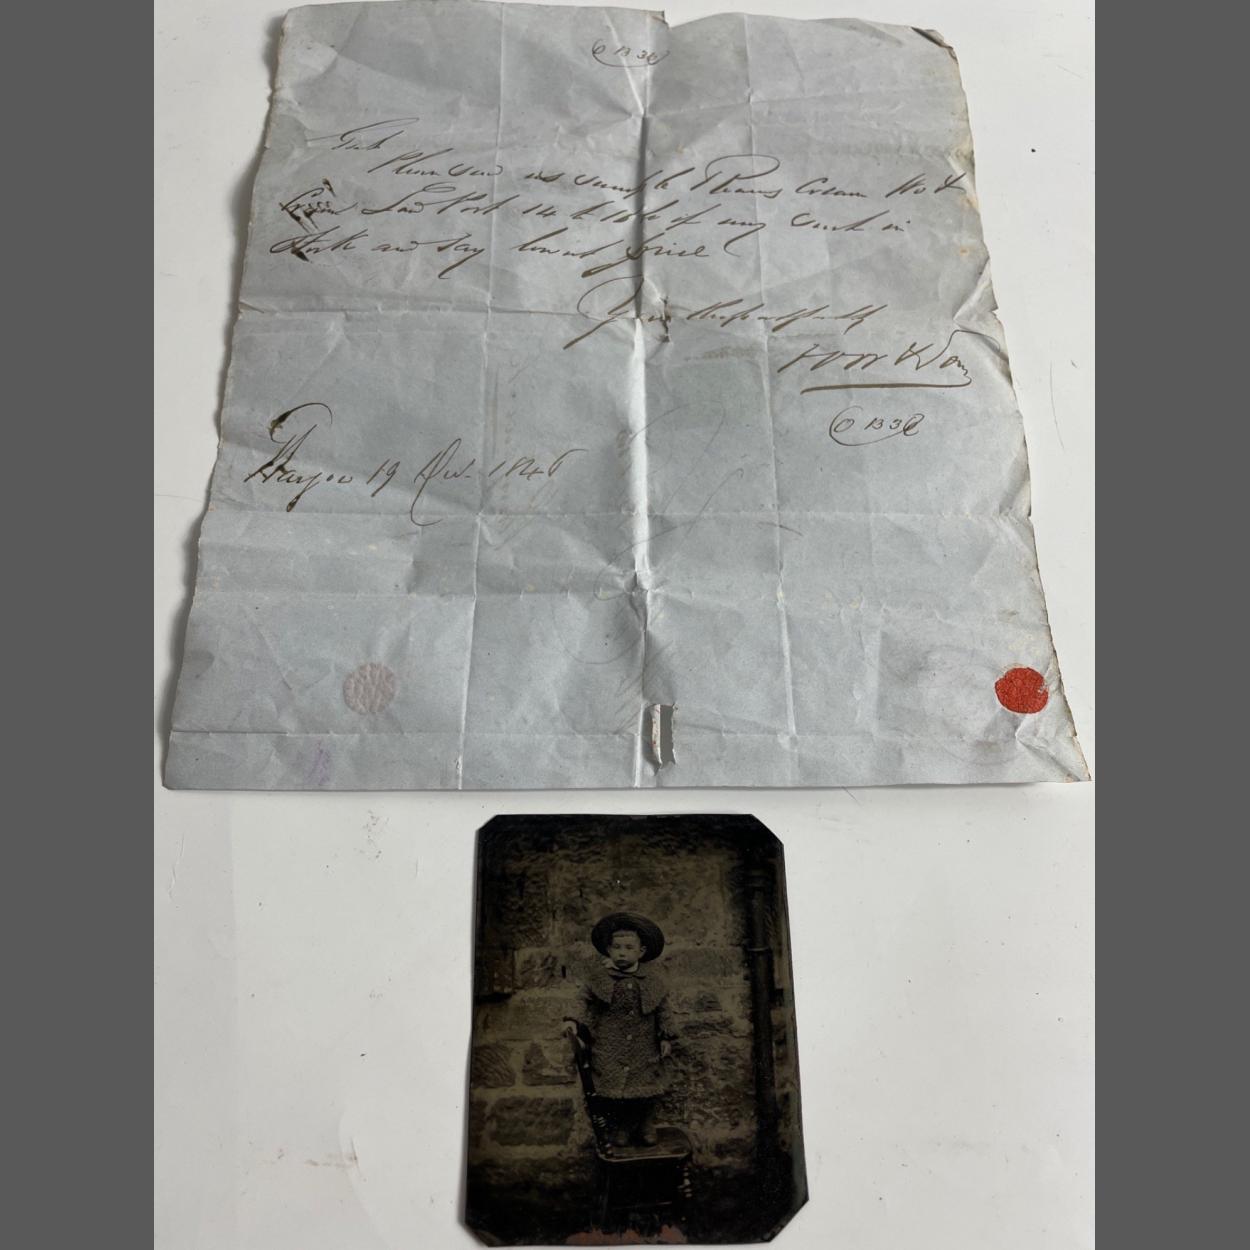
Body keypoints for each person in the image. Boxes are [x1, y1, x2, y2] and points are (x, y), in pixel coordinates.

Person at [563, 911, 676, 1148]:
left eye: (628, 948)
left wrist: (666, 1036)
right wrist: (572, 1020)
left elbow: (663, 1009)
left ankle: (645, 1124)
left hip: (644, 1045)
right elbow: (582, 999)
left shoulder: (652, 980)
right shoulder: (599, 978)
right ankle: (623, 1127)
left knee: (646, 1087)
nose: (622, 952)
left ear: (641, 952)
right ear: (608, 950)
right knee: (615, 1089)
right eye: (617, 947)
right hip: (609, 1044)